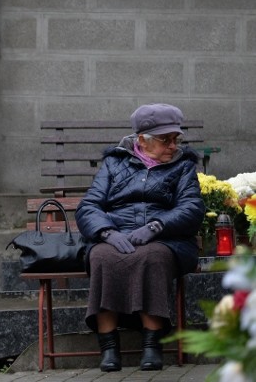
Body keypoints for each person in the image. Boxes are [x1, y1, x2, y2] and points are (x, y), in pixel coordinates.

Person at [75, 103, 204, 372]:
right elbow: (89, 206)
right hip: (116, 235)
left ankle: (152, 346)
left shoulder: (183, 166)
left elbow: (191, 208)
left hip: (166, 239)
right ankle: (109, 349)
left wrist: (156, 226)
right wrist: (106, 232)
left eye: (175, 139)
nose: (172, 146)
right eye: (164, 140)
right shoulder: (114, 162)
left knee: (151, 256)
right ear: (142, 140)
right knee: (101, 255)